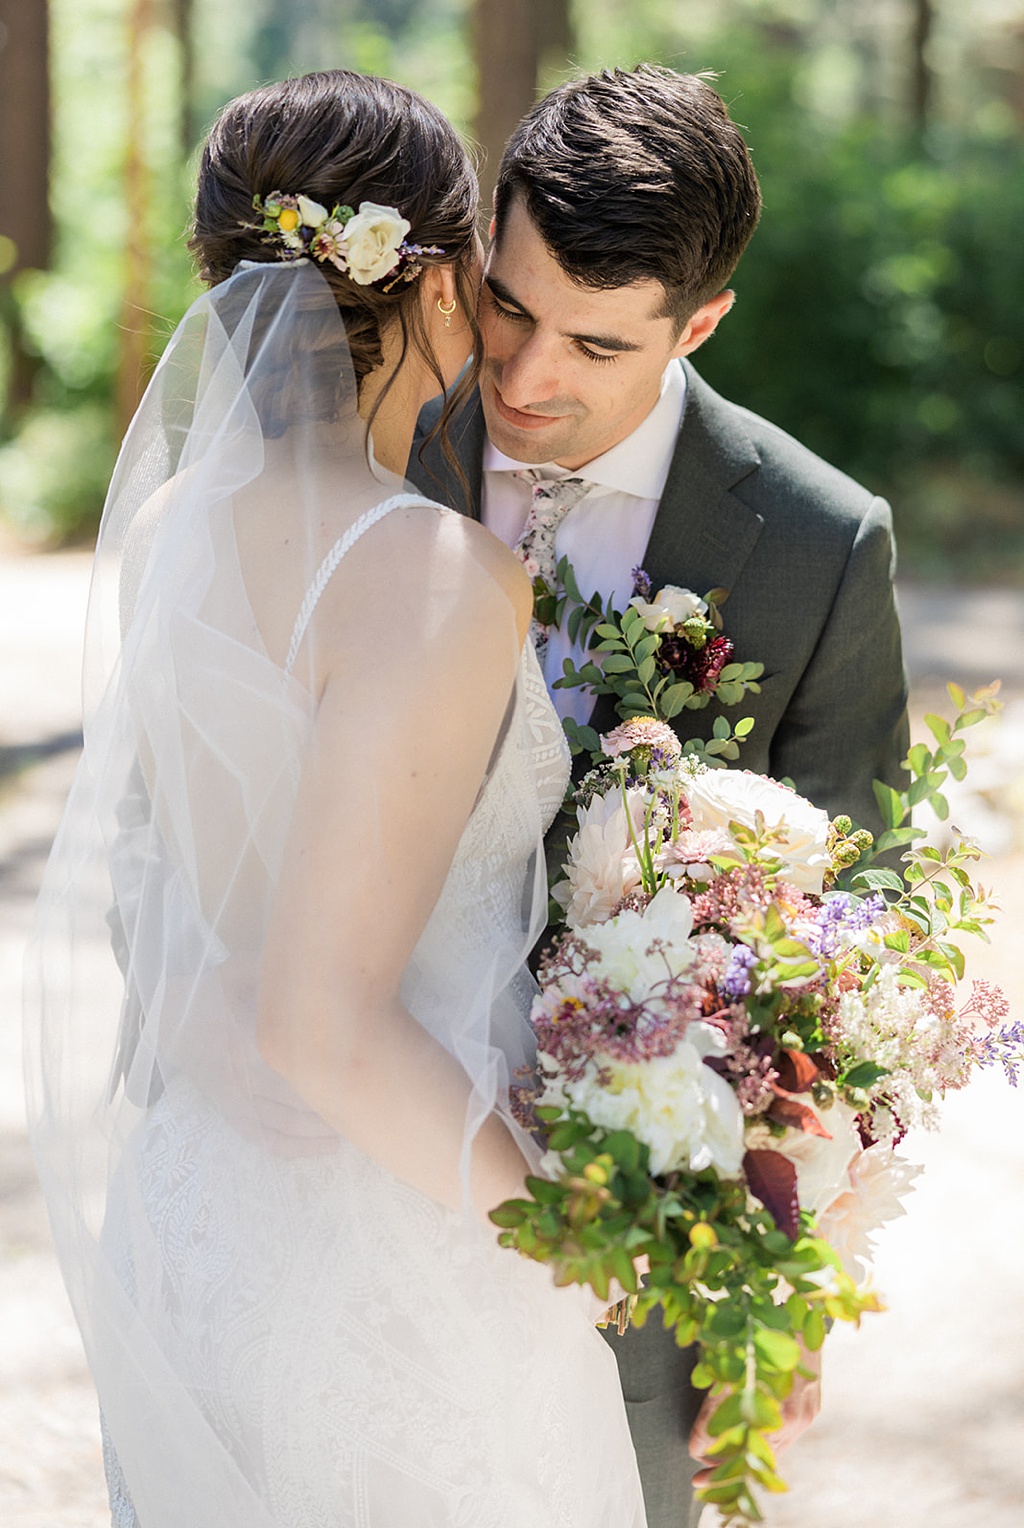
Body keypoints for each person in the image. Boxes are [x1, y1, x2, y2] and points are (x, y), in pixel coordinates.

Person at [25, 70, 647, 1528]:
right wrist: (568, 1240)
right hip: (393, 1249)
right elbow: (323, 1021)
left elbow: (185, 898)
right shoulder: (427, 577)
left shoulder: (175, 527)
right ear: (433, 289)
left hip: (196, 1217)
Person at [409, 63, 910, 1528]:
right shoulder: (372, 443)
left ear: (700, 326)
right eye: (507, 304)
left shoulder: (821, 544)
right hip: (351, 1171)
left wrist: (787, 1271)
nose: (522, 377)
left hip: (629, 1247)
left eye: (595, 342)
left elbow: (848, 932)